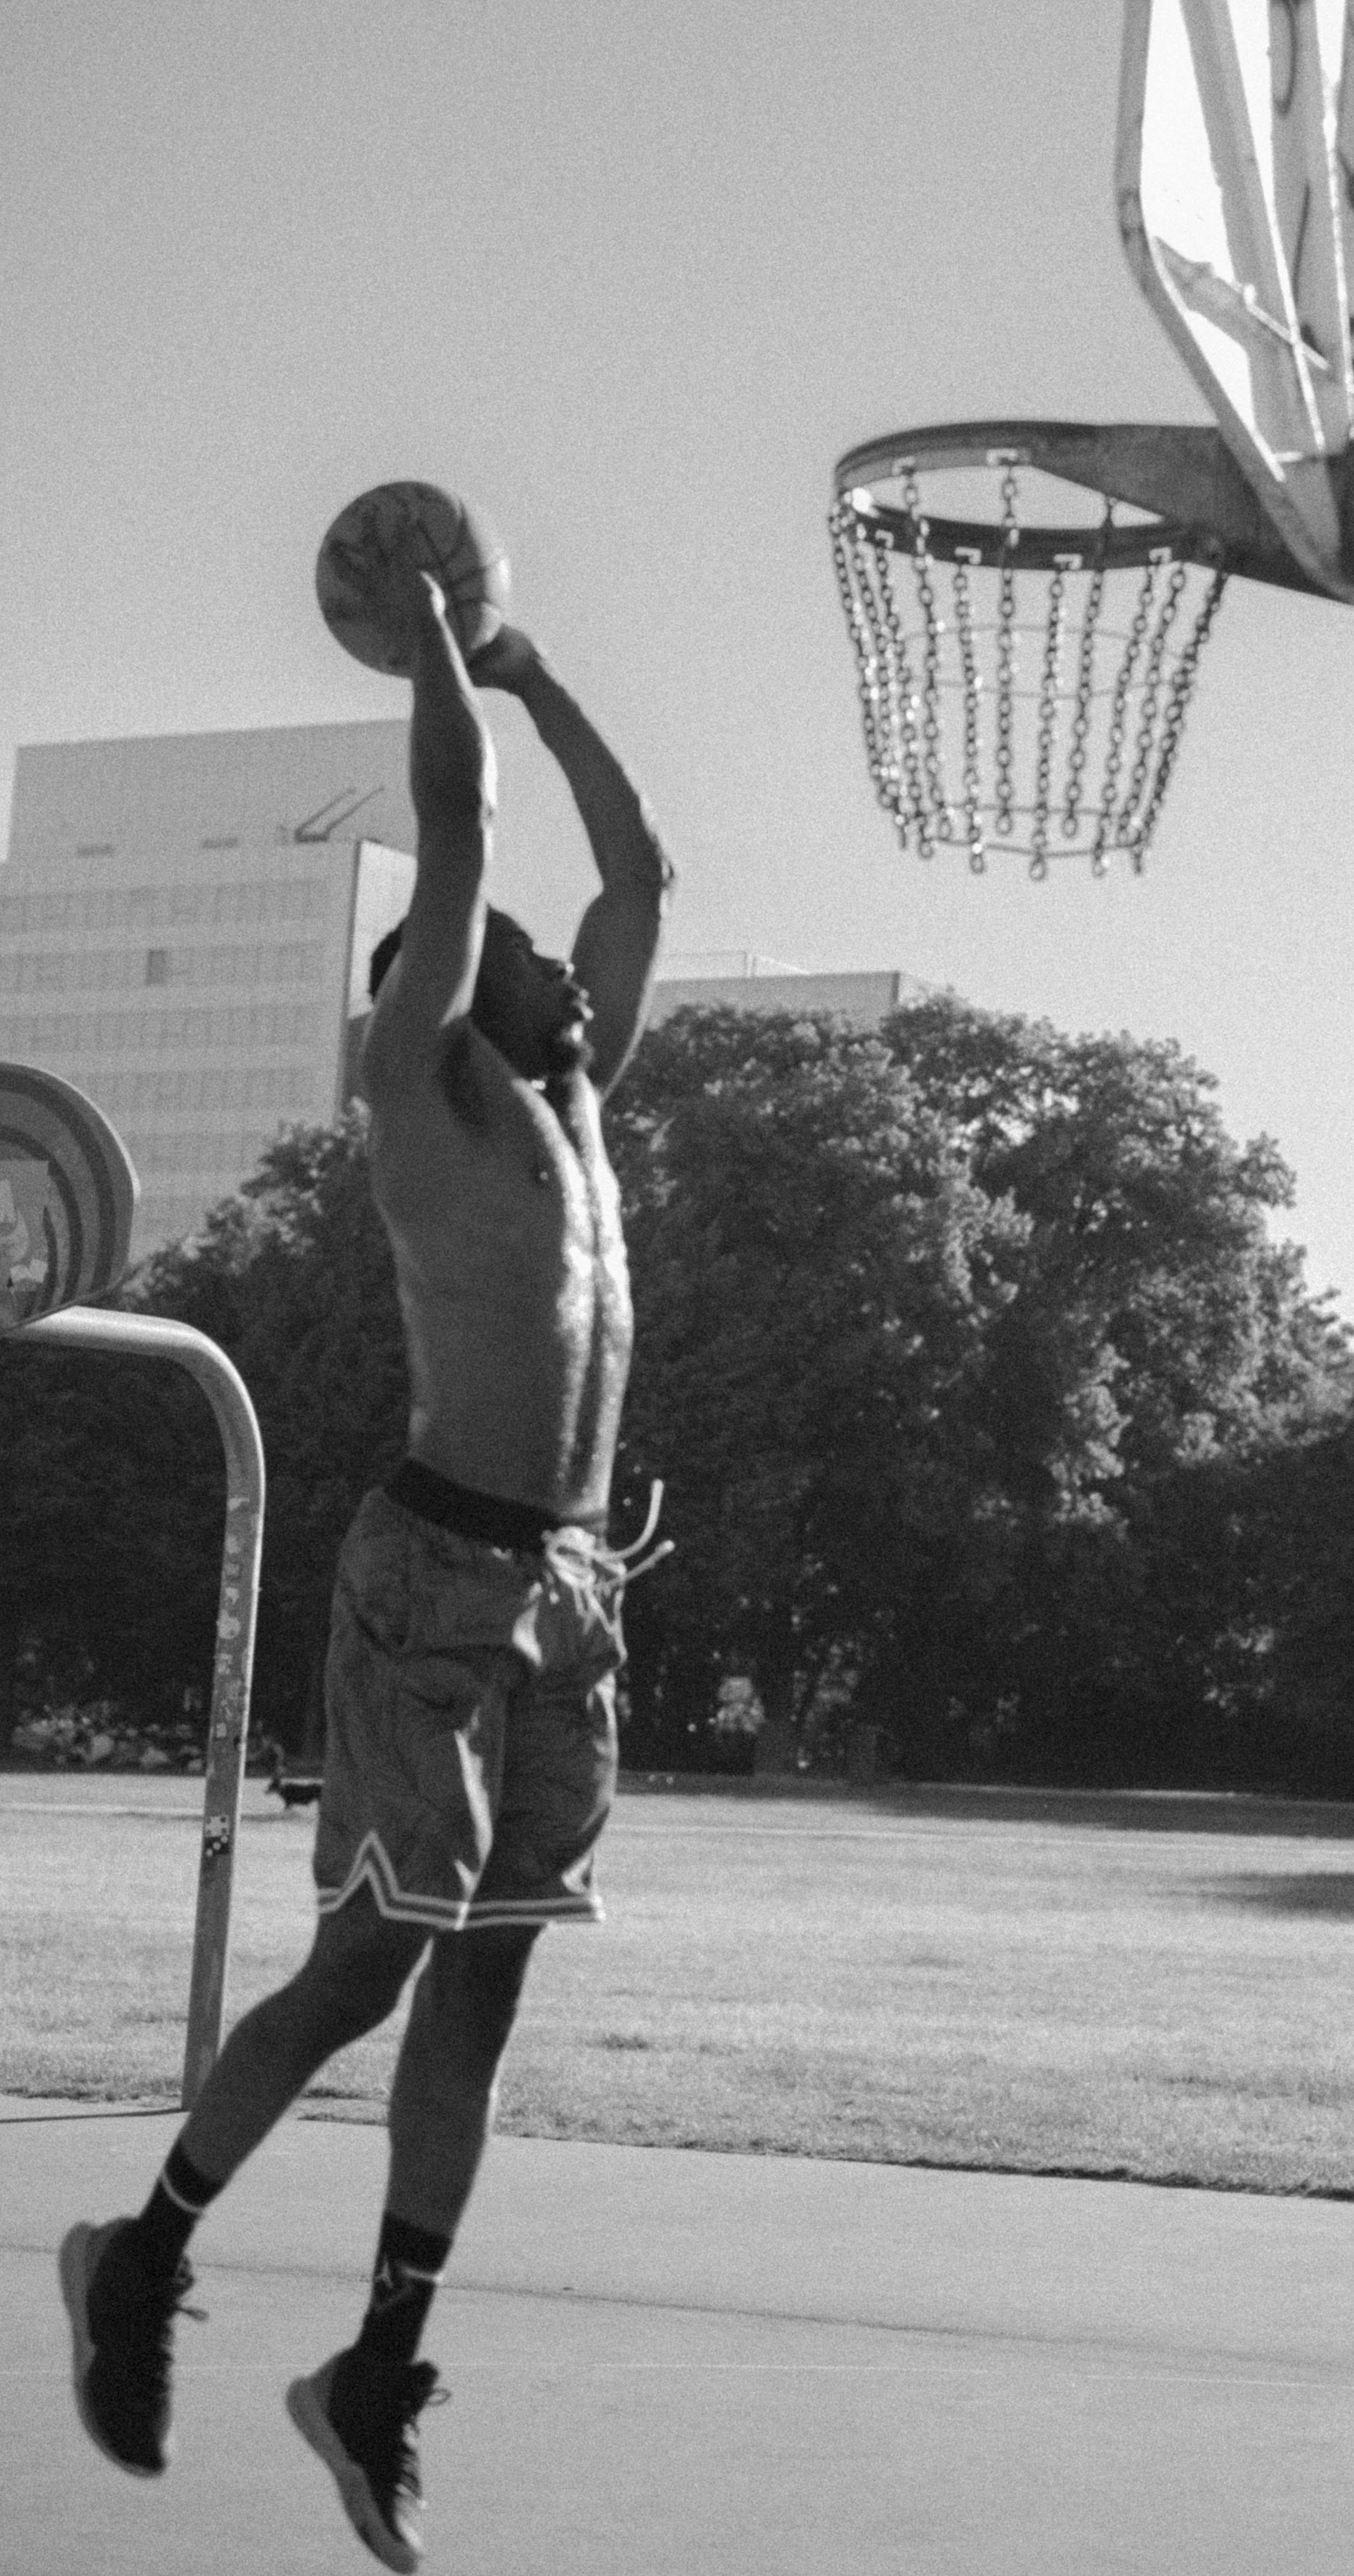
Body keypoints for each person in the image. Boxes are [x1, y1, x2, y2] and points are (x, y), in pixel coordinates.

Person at [60, 571, 670, 2571]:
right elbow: (470, 839)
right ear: (442, 981)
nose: (568, 980)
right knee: (367, 1966)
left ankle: (373, 2377)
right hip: (431, 1578)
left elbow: (638, 871)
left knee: (479, 1999)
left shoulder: (580, 1113)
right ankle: (141, 2255)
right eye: (521, 958)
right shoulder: (421, 1094)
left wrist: (533, 666)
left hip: (565, 1597)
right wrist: (431, 661)